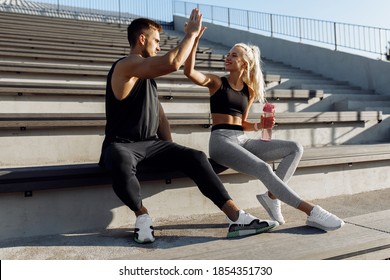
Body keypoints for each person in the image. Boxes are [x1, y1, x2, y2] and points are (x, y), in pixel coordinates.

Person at [98, 9, 278, 244]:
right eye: (156, 41)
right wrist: (191, 35)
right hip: (121, 145)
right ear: (142, 39)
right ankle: (142, 216)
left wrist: (171, 151)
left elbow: (160, 116)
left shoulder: (146, 77)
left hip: (151, 145)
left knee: (196, 157)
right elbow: (173, 63)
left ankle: (237, 217)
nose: (159, 46)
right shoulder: (127, 65)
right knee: (121, 161)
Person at [183, 28, 344, 231]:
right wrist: (194, 39)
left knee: (295, 148)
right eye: (228, 54)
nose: (228, 57)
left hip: (242, 140)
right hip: (221, 141)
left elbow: (242, 123)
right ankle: (311, 211)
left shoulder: (248, 91)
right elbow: (189, 72)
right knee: (264, 168)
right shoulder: (217, 83)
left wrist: (260, 126)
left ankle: (271, 197)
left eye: (234, 55)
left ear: (244, 63)